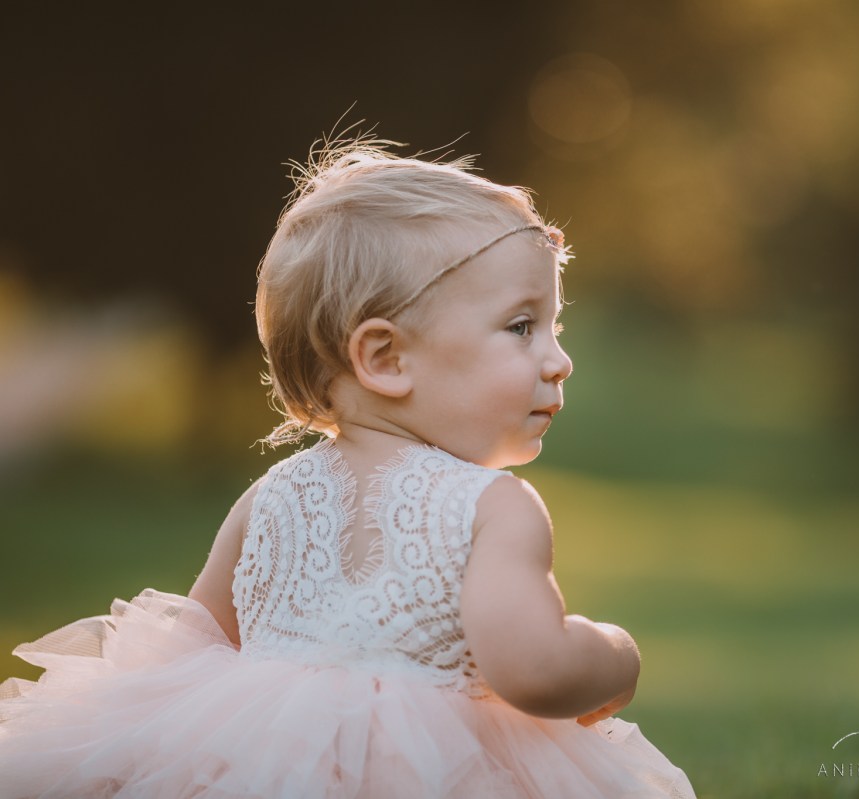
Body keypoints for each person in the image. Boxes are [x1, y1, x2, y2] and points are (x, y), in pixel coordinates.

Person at [0, 137, 697, 798]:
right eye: (522, 326)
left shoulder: (269, 497)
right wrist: (613, 654)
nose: (559, 359)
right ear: (386, 358)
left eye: (555, 327)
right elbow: (535, 668)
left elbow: (186, 651)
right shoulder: (494, 506)